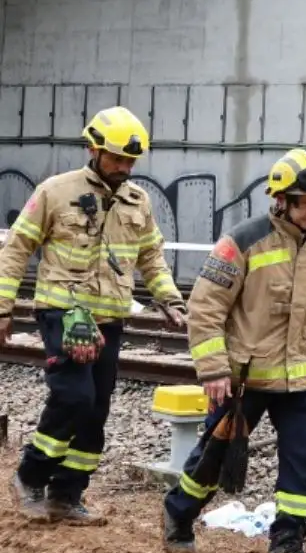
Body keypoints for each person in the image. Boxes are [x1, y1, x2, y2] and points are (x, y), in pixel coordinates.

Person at [162, 149, 306, 553]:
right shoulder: (243, 241)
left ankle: (288, 545)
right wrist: (213, 370)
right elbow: (205, 307)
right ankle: (178, 513)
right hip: (246, 381)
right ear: (281, 200)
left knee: (301, 466)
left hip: (305, 382)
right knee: (213, 458)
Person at [0, 107, 186, 525]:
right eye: (117, 158)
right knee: (74, 397)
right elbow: (16, 250)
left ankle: (66, 496)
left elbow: (151, 257)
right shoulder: (55, 191)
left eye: (130, 161)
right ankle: (29, 476)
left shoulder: (138, 201)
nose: (124, 168)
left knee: (96, 409)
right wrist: (2, 307)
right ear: (94, 149)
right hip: (62, 313)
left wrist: (170, 299)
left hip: (108, 319)